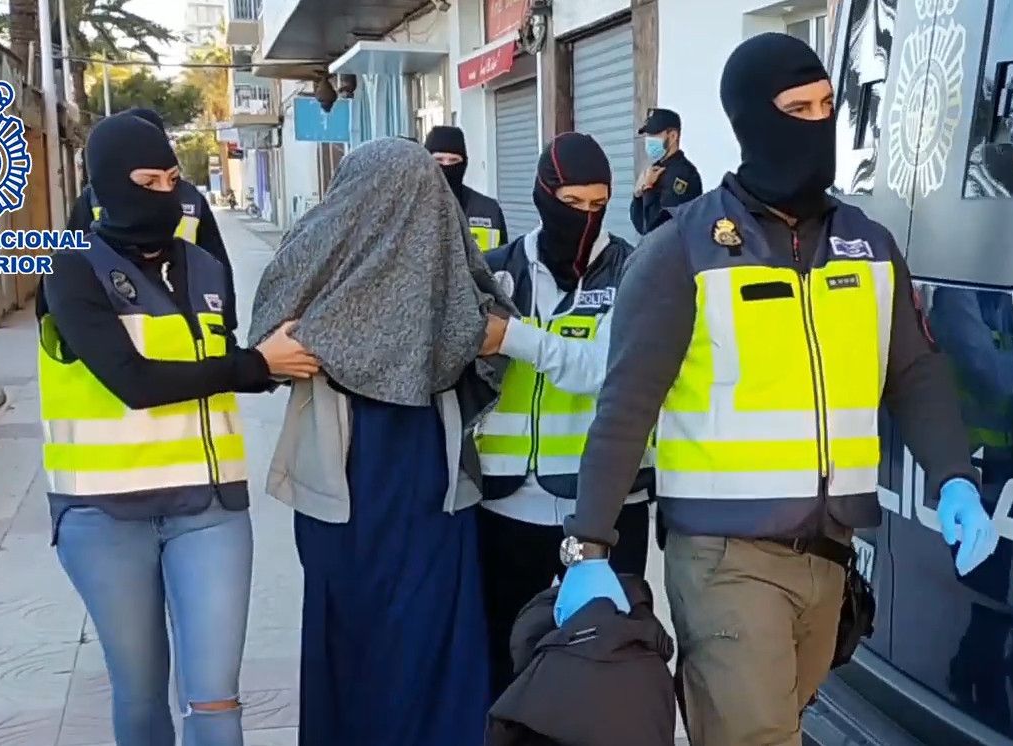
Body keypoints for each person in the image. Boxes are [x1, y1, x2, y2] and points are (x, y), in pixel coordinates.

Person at [552, 33, 1000, 746]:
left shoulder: (871, 245)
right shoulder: (683, 250)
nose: (817, 122)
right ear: (752, 121)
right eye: (797, 108)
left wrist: (954, 480)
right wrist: (589, 547)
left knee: (779, 726)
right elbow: (626, 404)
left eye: (828, 106)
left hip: (831, 558)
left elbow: (913, 370)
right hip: (724, 561)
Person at [38, 113, 319, 746]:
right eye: (147, 179)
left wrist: (284, 360)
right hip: (104, 515)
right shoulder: (70, 268)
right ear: (109, 185)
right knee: (139, 693)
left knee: (217, 702)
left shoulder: (206, 267)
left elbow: (232, 363)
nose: (165, 192)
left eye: (172, 178)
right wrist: (254, 366)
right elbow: (132, 381)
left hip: (212, 510)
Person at [248, 136, 515, 746]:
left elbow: (494, 333)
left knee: (400, 637)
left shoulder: (443, 266)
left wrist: (335, 339)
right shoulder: (319, 255)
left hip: (418, 476)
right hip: (363, 473)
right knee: (398, 636)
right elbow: (268, 342)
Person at [476, 132, 652, 696]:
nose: (586, 217)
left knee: (606, 668)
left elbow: (605, 371)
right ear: (543, 195)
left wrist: (512, 337)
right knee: (505, 665)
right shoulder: (496, 273)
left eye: (599, 204)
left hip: (608, 508)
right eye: (572, 204)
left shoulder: (636, 272)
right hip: (507, 506)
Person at [66, 107, 233, 289]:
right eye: (148, 182)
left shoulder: (193, 200)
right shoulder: (96, 196)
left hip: (188, 297)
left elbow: (218, 268)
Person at [425, 125, 509, 251]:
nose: (446, 166)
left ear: (464, 163)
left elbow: (503, 260)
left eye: (454, 160)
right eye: (438, 160)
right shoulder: (408, 209)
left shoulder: (489, 211)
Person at [629, 108, 702, 236]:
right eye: (647, 135)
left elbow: (659, 228)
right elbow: (641, 224)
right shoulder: (656, 168)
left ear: (673, 136)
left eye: (653, 135)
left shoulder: (683, 175)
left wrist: (648, 189)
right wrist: (638, 194)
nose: (648, 140)